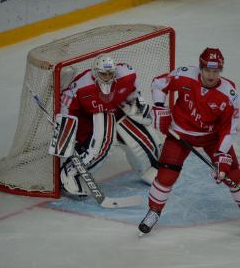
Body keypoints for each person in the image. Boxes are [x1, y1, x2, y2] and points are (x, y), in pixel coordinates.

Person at [138, 47, 240, 234]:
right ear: (201, 68)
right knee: (166, 175)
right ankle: (153, 212)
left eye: (215, 71)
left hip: (212, 139)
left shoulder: (229, 93)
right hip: (179, 134)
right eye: (207, 70)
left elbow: (229, 127)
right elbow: (159, 83)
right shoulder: (185, 75)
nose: (211, 75)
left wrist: (222, 154)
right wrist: (158, 105)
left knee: (232, 175)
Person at [50, 54, 160, 199]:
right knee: (102, 147)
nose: (107, 77)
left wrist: (137, 105)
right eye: (103, 73)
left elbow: (134, 92)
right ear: (95, 72)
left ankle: (148, 169)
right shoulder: (82, 86)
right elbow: (66, 104)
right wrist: (67, 128)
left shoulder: (126, 75)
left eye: (110, 73)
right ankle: (69, 173)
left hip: (116, 112)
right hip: (89, 123)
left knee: (146, 138)